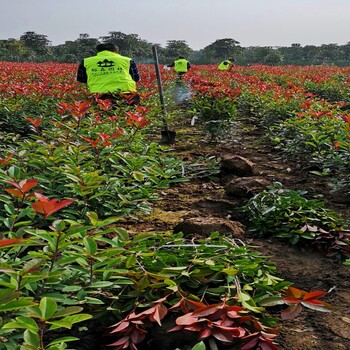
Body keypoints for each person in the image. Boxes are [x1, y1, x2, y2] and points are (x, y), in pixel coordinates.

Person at [77, 42, 141, 105]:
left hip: (99, 95)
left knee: (102, 114)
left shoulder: (86, 61)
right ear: (116, 51)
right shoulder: (127, 60)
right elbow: (136, 78)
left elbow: (82, 79)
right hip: (126, 94)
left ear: (98, 51)